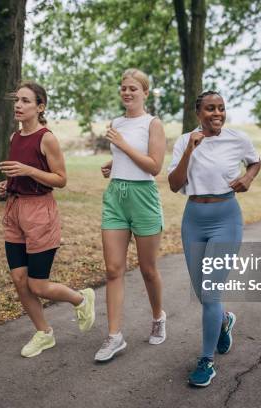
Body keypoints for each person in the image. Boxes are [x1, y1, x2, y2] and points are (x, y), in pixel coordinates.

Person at [168, 91, 261, 387]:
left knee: (210, 293)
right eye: (210, 109)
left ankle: (206, 361)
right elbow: (173, 185)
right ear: (198, 113)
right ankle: (224, 320)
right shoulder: (185, 141)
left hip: (226, 218)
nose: (217, 113)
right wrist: (189, 151)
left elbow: (255, 162)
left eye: (221, 108)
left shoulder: (237, 138)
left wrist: (247, 178)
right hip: (194, 218)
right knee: (204, 294)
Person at [0, 81, 95, 358]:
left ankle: (81, 298)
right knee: (19, 278)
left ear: (40, 107)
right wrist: (7, 185)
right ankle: (44, 333)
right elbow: (18, 173)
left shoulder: (46, 138)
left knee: (37, 284)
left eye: (26, 101)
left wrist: (27, 170)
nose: (18, 105)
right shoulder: (14, 137)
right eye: (17, 100)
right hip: (15, 210)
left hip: (40, 213)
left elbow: (61, 179)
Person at [94, 68, 167, 362]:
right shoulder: (117, 122)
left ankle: (158, 316)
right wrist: (115, 162)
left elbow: (154, 166)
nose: (126, 92)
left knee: (148, 269)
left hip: (143, 198)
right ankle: (114, 337)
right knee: (113, 269)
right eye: (123, 88)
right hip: (116, 196)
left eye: (133, 89)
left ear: (145, 93)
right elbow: (128, 155)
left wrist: (122, 146)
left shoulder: (153, 123)